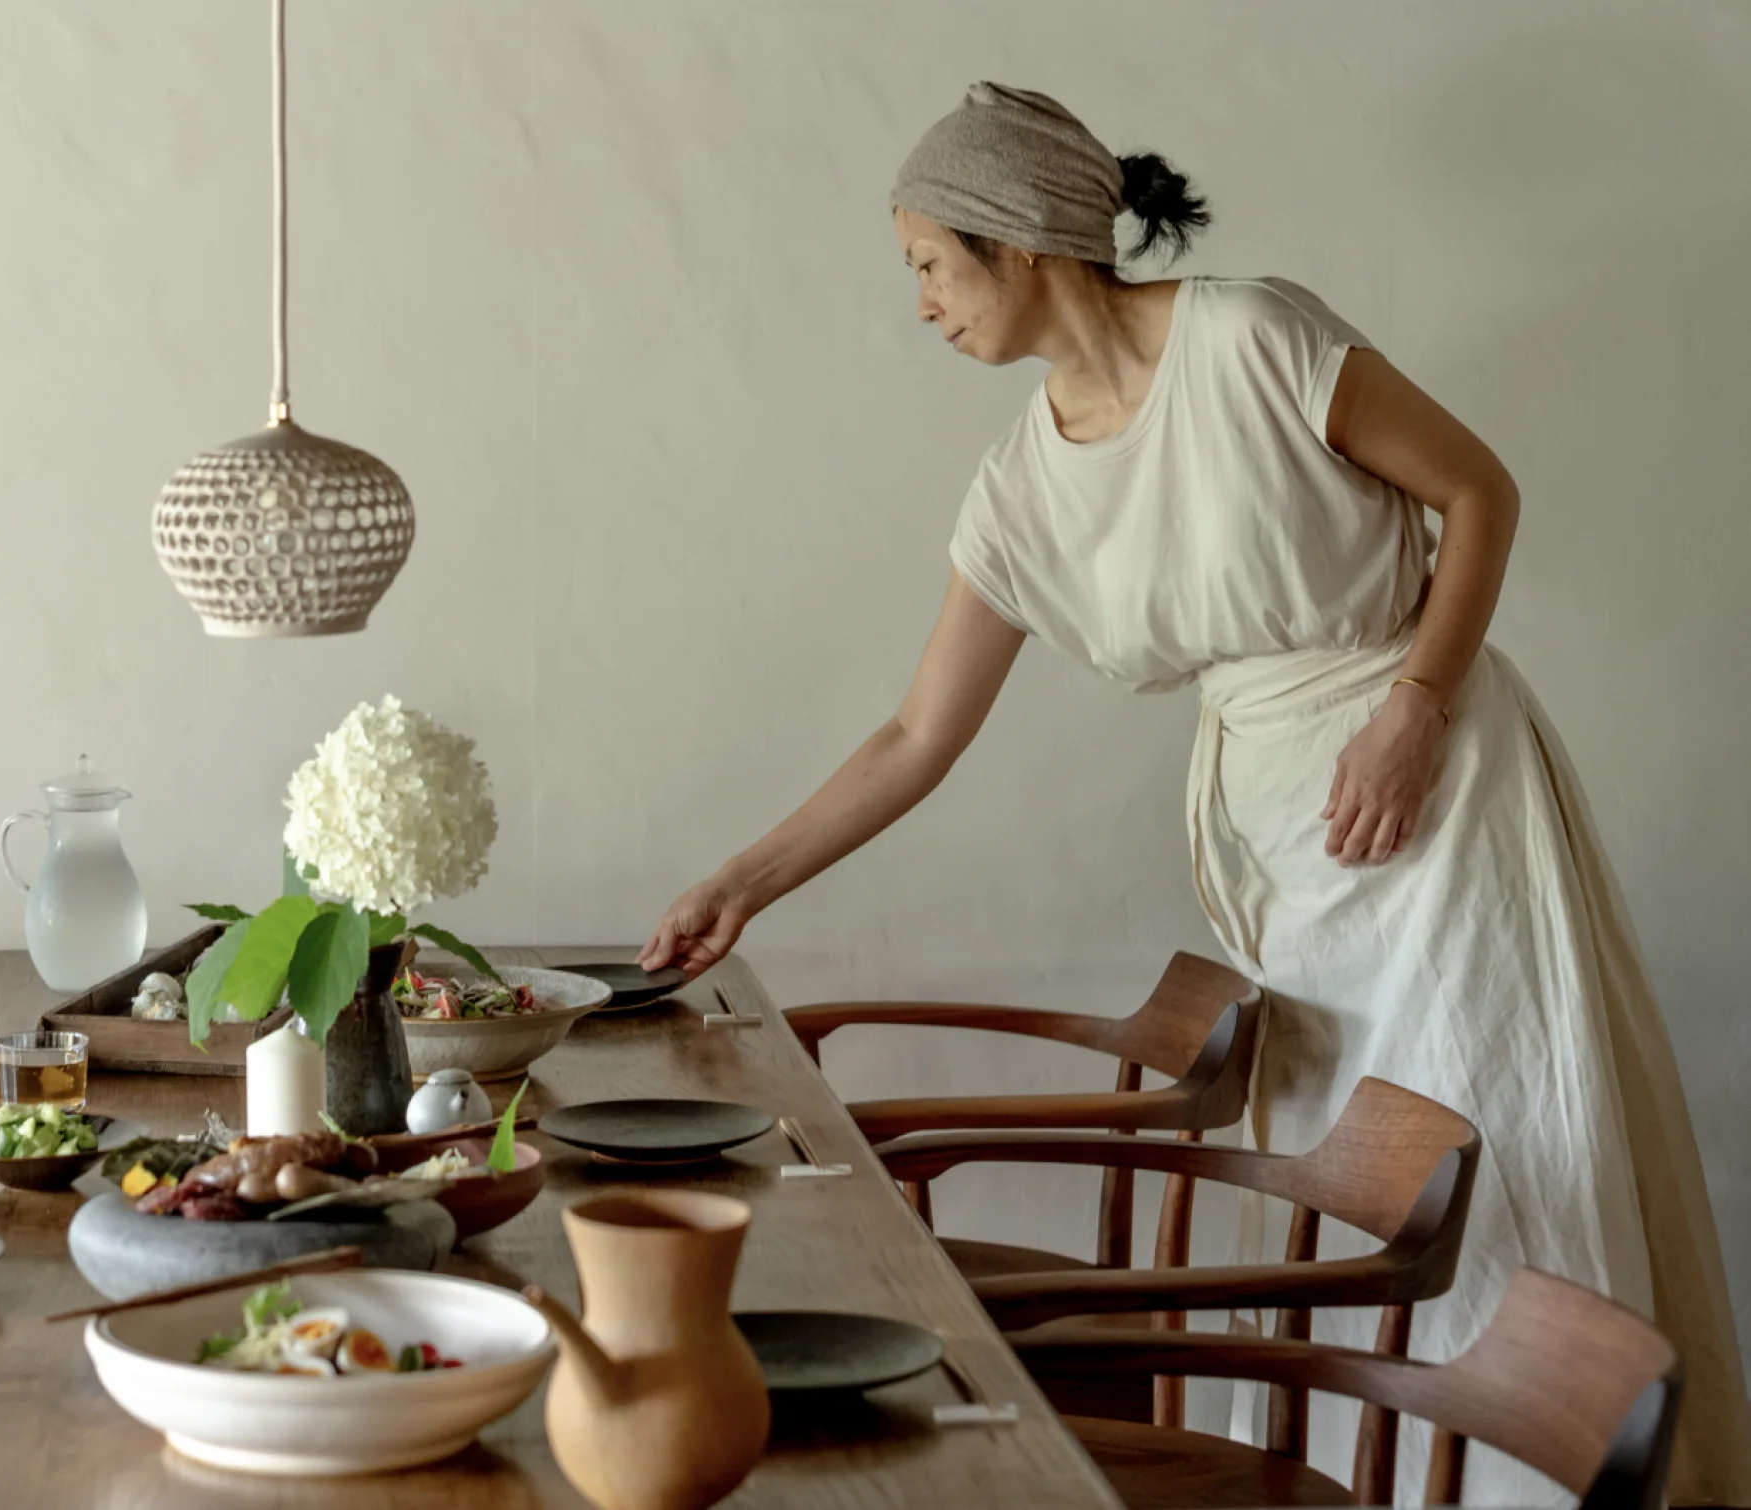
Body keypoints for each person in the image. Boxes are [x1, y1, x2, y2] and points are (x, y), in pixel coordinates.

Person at [640, 82, 1748, 1505]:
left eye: (929, 262)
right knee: (1359, 1187)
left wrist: (1416, 704)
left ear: (1021, 244)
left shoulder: (1255, 337)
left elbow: (1480, 492)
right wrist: (744, 879)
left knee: (1504, 1136)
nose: (919, 303)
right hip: (1288, 844)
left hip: (1441, 798)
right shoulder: (1024, 486)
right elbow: (919, 729)